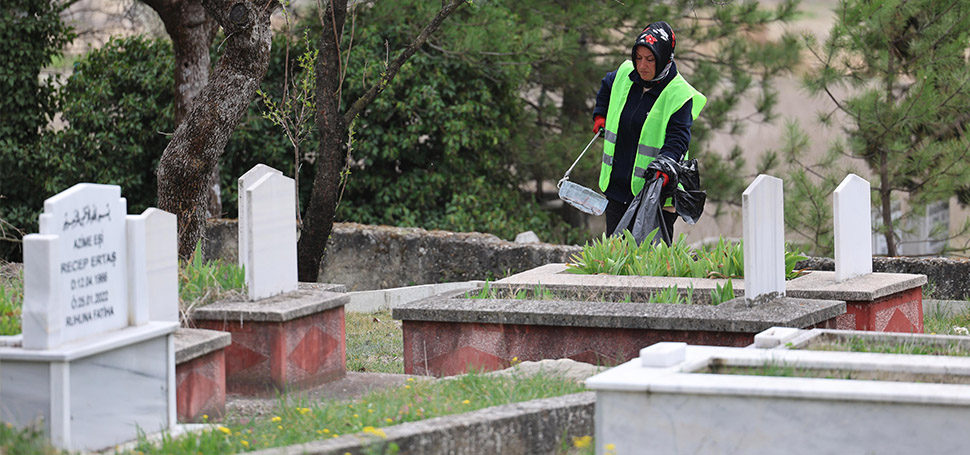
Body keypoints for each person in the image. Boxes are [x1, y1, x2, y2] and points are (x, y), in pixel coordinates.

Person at [592, 21, 706, 240]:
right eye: (638, 58)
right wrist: (600, 115)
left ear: (664, 59)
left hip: (655, 197)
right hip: (617, 189)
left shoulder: (679, 94)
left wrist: (665, 166)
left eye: (650, 59)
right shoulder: (625, 75)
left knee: (650, 258)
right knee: (616, 255)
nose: (642, 65)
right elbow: (607, 86)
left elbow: (678, 139)